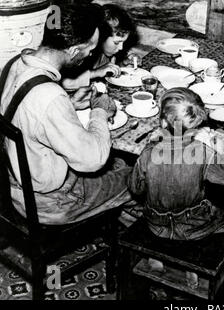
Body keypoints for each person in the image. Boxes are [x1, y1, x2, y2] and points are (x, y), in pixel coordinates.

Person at [0, 3, 132, 224]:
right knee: (139, 176)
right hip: (50, 202)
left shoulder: (17, 63)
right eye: (90, 49)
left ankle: (116, 217)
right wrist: (99, 111)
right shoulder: (50, 96)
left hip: (14, 184)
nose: (91, 53)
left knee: (118, 165)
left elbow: (28, 114)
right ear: (73, 50)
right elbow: (94, 160)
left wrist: (70, 103)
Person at [128, 87, 224, 241]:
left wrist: (151, 143)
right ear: (198, 123)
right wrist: (222, 150)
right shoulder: (202, 151)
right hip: (193, 227)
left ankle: (159, 254)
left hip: (156, 225)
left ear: (163, 122)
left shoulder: (148, 153)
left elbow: (135, 189)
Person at [62, 3, 137, 91]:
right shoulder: (83, 53)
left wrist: (124, 62)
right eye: (117, 43)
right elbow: (66, 83)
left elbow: (109, 69)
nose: (121, 48)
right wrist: (95, 73)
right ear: (101, 36)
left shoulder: (107, 53)